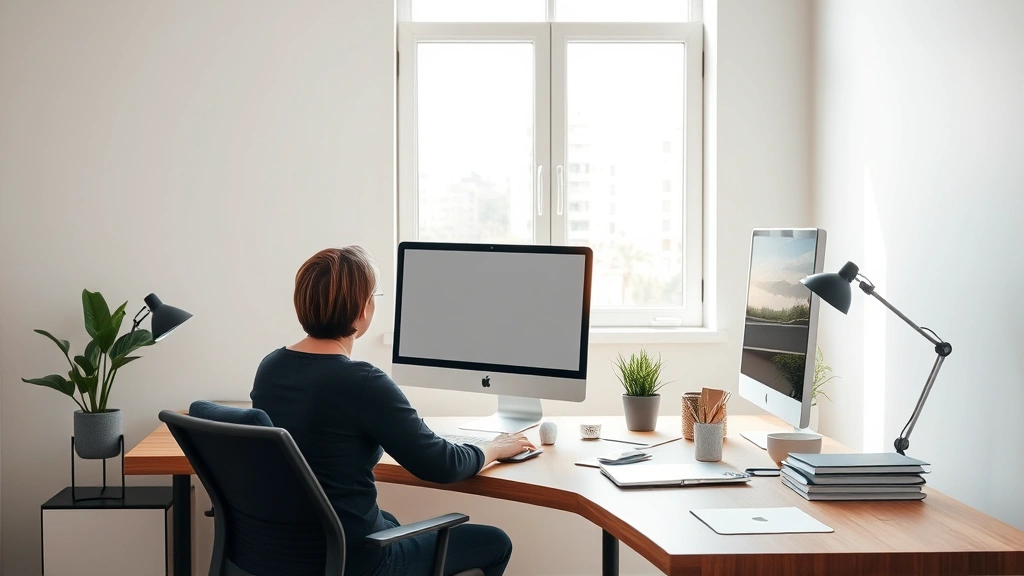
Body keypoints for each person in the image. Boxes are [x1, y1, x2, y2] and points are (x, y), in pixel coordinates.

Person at [251, 246, 533, 576]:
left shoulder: (270, 367)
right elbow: (441, 465)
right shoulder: (361, 382)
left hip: (283, 554)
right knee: (494, 542)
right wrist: (494, 448)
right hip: (356, 560)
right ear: (363, 309)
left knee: (391, 523)